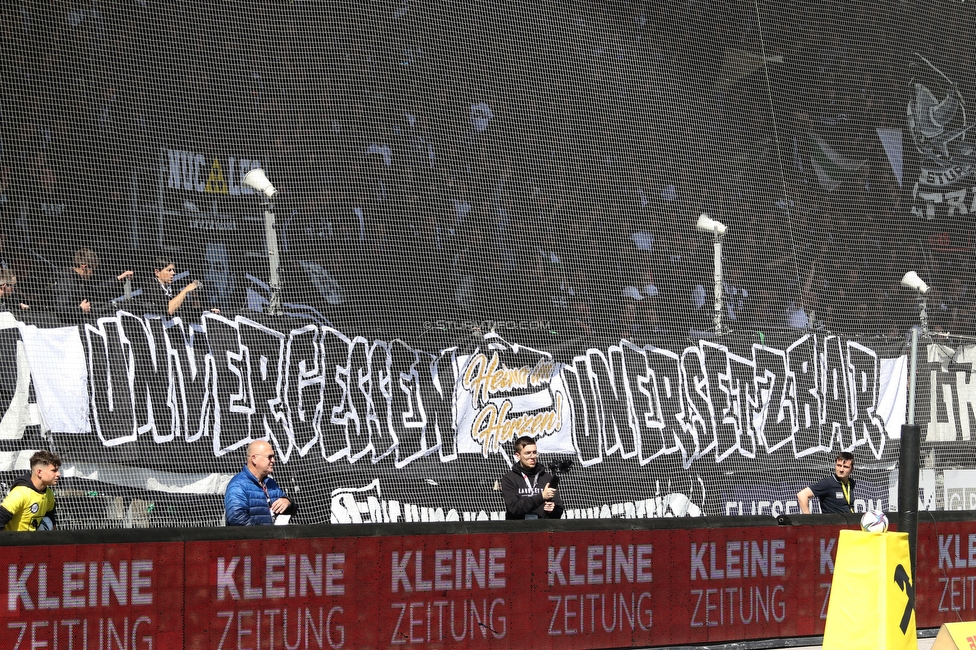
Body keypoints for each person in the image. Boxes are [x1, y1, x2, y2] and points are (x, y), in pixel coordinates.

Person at [54, 247, 134, 323]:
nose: (92, 273)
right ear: (84, 267)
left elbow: (95, 291)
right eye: (92, 269)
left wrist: (118, 278)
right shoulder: (67, 281)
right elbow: (61, 309)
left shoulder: (79, 280)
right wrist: (81, 309)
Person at [224, 440, 294, 525]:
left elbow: (291, 511)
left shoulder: (270, 483)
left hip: (274, 537)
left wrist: (288, 502)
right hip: (255, 538)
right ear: (254, 459)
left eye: (273, 456)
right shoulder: (238, 485)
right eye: (269, 457)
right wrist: (266, 533)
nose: (273, 460)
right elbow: (237, 519)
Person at [500, 435, 564, 520]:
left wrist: (553, 509)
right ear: (518, 455)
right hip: (518, 529)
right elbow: (514, 509)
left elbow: (558, 510)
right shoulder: (509, 478)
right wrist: (541, 497)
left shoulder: (546, 477)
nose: (532, 456)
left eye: (534, 452)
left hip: (542, 528)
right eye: (527, 453)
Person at [0, 450, 61, 531]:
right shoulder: (20, 493)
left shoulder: (49, 494)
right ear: (39, 472)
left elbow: (51, 519)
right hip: (15, 542)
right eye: (54, 470)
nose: (58, 474)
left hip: (33, 542)